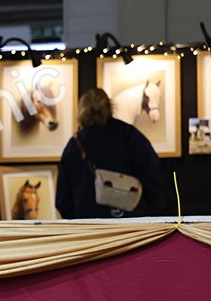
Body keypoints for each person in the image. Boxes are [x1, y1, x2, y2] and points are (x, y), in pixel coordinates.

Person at [56, 88, 164, 219]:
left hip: (89, 226)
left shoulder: (74, 144)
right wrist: (149, 212)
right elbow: (153, 176)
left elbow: (62, 199)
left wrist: (78, 218)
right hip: (131, 222)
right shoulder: (128, 135)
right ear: (109, 107)